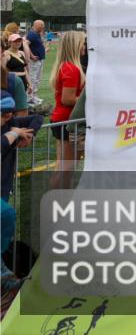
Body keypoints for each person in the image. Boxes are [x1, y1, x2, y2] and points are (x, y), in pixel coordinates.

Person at [2, 64, 42, 297]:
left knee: (4, 218)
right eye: (4, 114)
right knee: (5, 215)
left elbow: (35, 118)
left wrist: (26, 133)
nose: (8, 117)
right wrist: (13, 134)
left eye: (10, 114)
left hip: (2, 186)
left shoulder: (10, 124)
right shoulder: (9, 130)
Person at [50, 31, 86, 185]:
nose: (85, 46)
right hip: (68, 122)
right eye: (82, 43)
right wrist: (89, 99)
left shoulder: (65, 66)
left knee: (63, 168)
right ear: (75, 46)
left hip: (61, 120)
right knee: (66, 171)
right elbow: (68, 99)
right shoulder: (72, 68)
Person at [25, 20, 46, 105]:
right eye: (41, 25)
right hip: (34, 61)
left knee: (37, 79)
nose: (43, 27)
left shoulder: (37, 34)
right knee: (33, 79)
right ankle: (29, 98)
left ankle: (34, 96)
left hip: (40, 60)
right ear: (36, 25)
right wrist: (31, 55)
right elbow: (26, 44)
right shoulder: (32, 34)